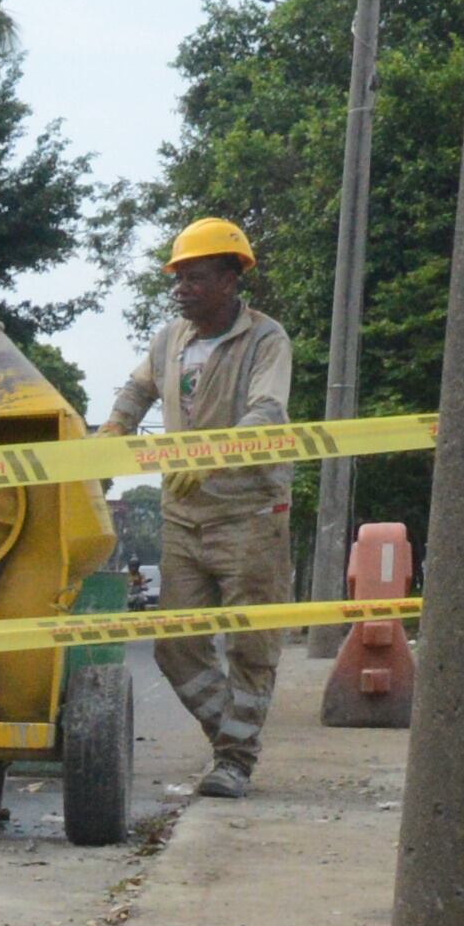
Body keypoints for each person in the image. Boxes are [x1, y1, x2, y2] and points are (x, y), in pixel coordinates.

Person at [103, 216, 297, 798]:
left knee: (250, 643)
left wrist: (210, 459)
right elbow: (139, 388)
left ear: (230, 280)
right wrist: (114, 427)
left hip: (250, 513)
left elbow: (267, 412)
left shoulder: (266, 340)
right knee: (176, 645)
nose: (181, 289)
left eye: (195, 278)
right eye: (178, 278)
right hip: (184, 515)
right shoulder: (170, 340)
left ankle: (235, 761)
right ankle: (230, 738)